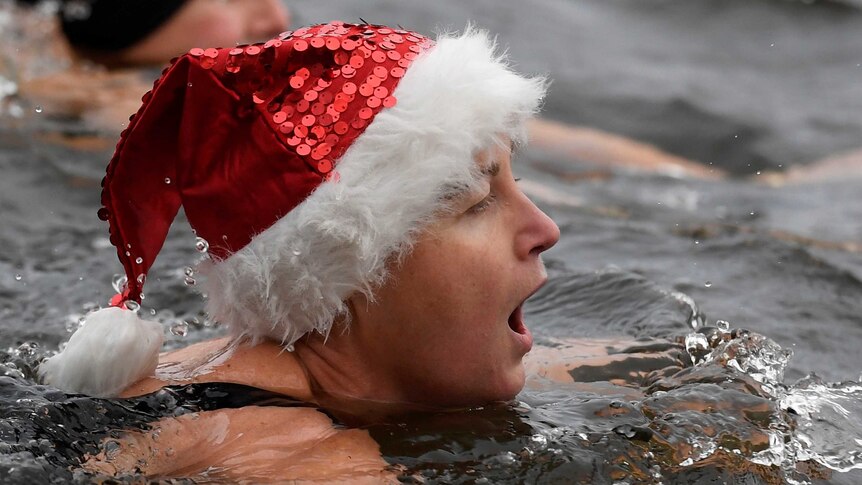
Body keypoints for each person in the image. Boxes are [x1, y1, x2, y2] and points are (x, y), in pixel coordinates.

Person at [37, 21, 685, 481]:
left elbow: (601, 367)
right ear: (347, 274)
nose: (545, 229)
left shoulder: (295, 372)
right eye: (477, 202)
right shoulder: (284, 451)